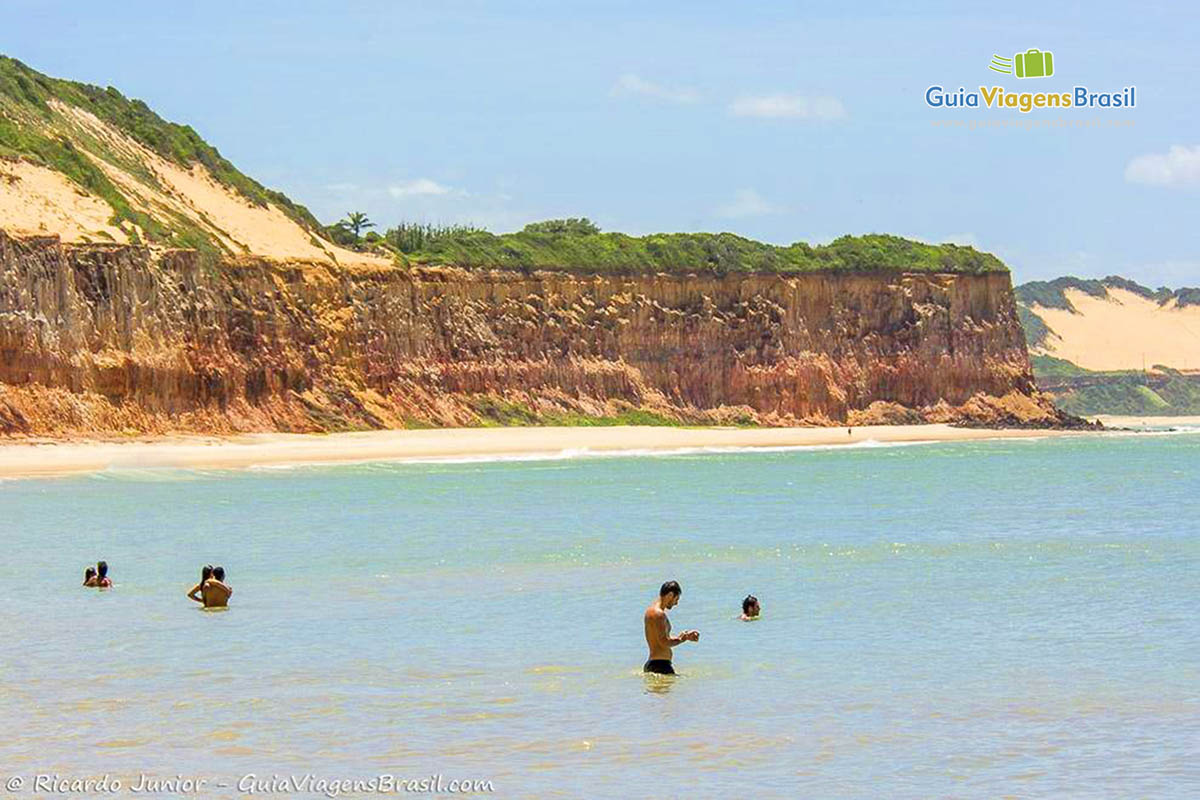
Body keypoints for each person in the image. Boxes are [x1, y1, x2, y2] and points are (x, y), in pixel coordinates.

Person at [643, 580, 698, 675]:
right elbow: (664, 642)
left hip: (656, 665)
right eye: (676, 599)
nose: (676, 603)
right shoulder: (658, 614)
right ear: (670, 595)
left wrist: (684, 637)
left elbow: (661, 639)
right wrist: (682, 639)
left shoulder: (652, 611)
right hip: (660, 666)